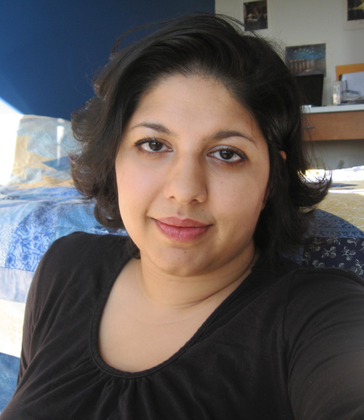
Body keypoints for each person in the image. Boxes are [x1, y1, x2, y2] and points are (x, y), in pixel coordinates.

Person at [2, 13, 364, 420]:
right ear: (114, 159)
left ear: (271, 182)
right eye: (154, 144)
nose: (185, 190)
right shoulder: (64, 265)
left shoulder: (319, 312)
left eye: (227, 154)